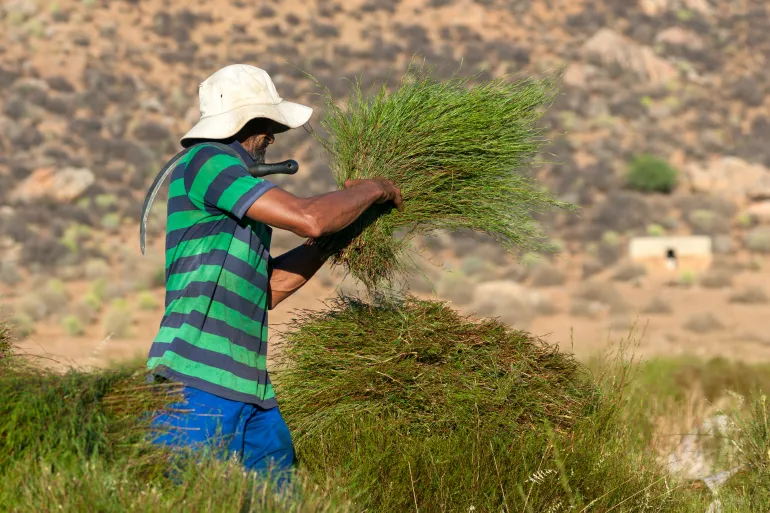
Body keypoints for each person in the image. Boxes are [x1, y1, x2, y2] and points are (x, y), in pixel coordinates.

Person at [147, 64, 402, 478]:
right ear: (251, 122)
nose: (273, 137)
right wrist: (374, 189)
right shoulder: (205, 162)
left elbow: (268, 290)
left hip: (253, 391)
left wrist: (340, 236)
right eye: (270, 124)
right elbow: (308, 217)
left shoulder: (239, 199)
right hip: (194, 383)